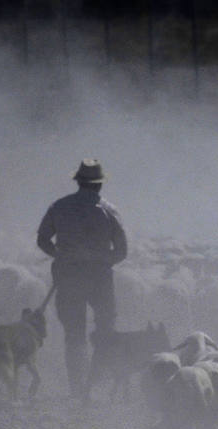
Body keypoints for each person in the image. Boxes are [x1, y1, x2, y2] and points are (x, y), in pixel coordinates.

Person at [36, 159, 129, 399]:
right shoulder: (110, 210)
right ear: (99, 185)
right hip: (100, 278)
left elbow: (42, 240)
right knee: (105, 330)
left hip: (69, 277)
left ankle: (77, 387)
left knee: (74, 333)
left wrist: (61, 255)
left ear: (78, 182)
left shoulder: (60, 207)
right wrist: (101, 260)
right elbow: (121, 251)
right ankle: (99, 381)